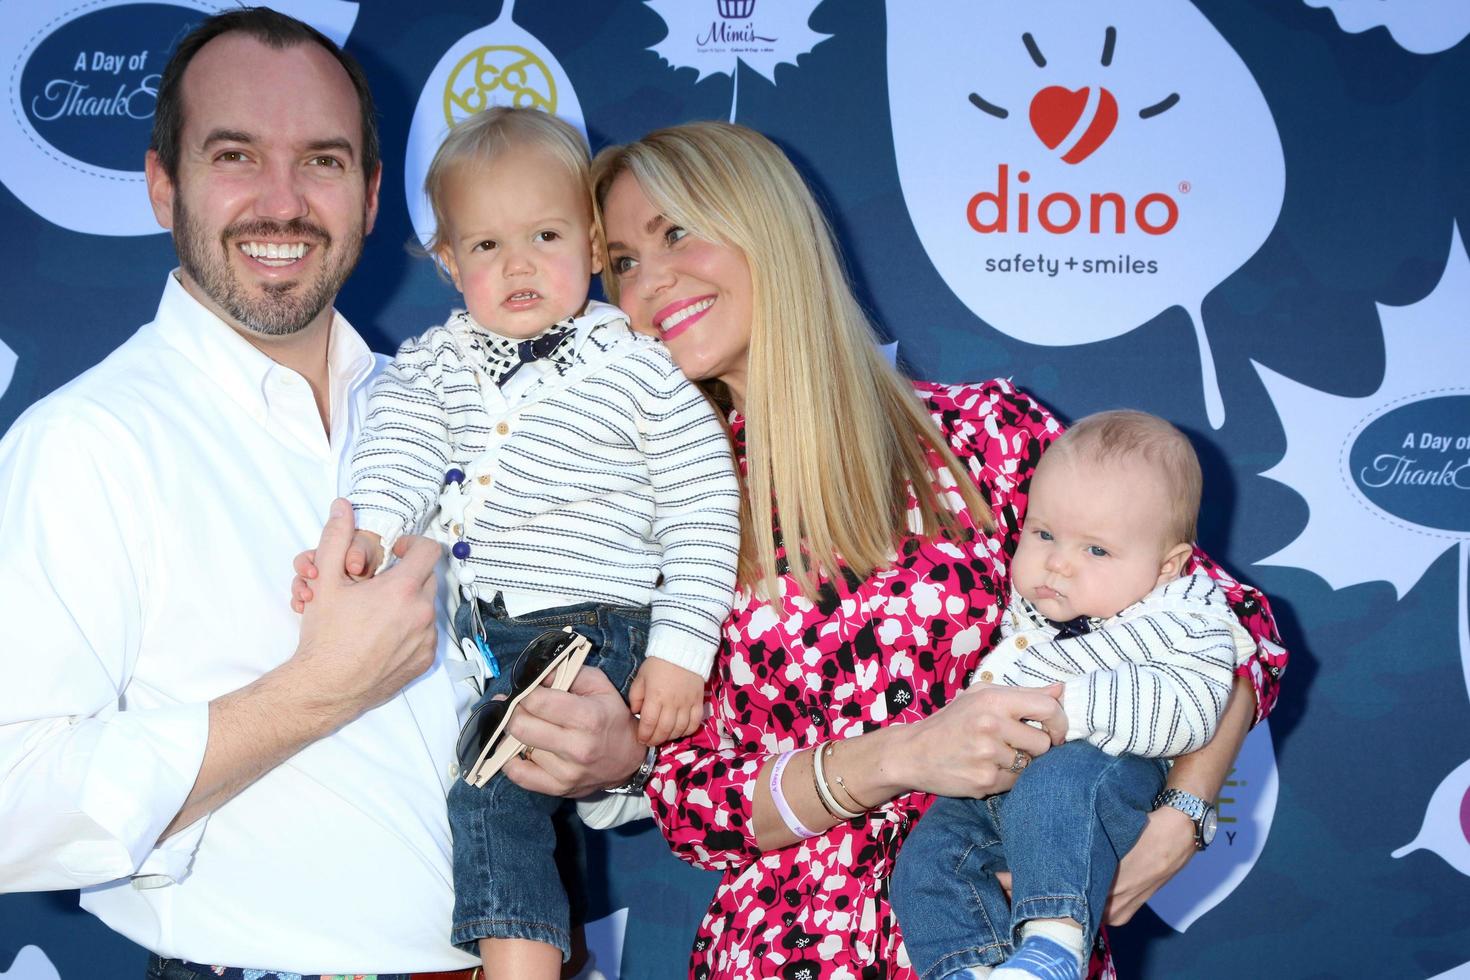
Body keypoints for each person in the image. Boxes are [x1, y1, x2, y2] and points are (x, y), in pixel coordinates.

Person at [0, 9, 643, 979]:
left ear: (373, 194)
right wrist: (312, 693)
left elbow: (532, 692)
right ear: (162, 184)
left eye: (325, 161)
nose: (283, 200)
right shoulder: (89, 442)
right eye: (236, 155)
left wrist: (609, 758)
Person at [590, 121, 1288, 980]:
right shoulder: (653, 514)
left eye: (676, 231)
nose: (650, 282)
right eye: (622, 261)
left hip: (1011, 940)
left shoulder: (987, 439)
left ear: (766, 225)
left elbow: (1236, 629)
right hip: (786, 953)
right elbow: (690, 803)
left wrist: (1177, 821)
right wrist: (900, 757)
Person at [306, 105, 740, 978]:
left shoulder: (640, 367)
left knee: (493, 793)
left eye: (544, 235)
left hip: (594, 627)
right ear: (448, 262)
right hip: (489, 640)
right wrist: (375, 532)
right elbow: (399, 447)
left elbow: (701, 511)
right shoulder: (433, 364)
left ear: (588, 243)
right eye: (486, 247)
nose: (518, 266)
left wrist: (681, 653)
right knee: (481, 796)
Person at [890, 410, 1257, 980]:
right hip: (1001, 782)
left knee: (1057, 784)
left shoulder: (1188, 617)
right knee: (930, 856)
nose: (1057, 562)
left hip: (1105, 773)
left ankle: (1054, 946)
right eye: (1043, 535)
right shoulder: (1032, 612)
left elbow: (1192, 712)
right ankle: (965, 966)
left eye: (1096, 551)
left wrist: (1074, 710)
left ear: (1168, 566)